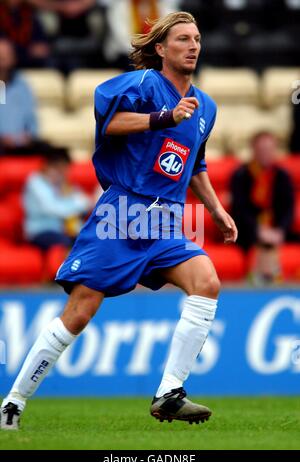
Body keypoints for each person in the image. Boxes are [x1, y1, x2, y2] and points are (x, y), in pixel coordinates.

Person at [0, 11, 237, 430]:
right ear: (161, 49)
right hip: (122, 215)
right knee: (80, 310)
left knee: (208, 283)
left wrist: (216, 209)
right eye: (182, 38)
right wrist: (164, 117)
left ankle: (169, 393)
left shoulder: (206, 107)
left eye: (197, 37)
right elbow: (110, 123)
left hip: (165, 223)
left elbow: (195, 163)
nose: (193, 45)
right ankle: (12, 403)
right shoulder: (144, 84)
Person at [231, 131, 294, 284]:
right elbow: (239, 209)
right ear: (254, 150)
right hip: (247, 232)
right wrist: (258, 230)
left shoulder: (282, 176)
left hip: (276, 230)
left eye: (269, 150)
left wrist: (280, 230)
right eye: (262, 150)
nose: (266, 154)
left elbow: (288, 208)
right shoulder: (241, 175)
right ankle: (256, 283)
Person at [23, 148, 91, 251]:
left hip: (64, 231)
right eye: (58, 169)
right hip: (41, 232)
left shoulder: (63, 184)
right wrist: (75, 204)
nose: (61, 173)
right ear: (46, 166)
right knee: (68, 243)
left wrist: (72, 197)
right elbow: (53, 209)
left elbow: (87, 203)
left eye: (64, 169)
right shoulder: (35, 182)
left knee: (90, 240)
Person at [0, 38, 51, 156]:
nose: (2, 60)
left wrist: (28, 137)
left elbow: (31, 119)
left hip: (21, 146)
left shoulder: (22, 85)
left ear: (13, 58)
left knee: (49, 150)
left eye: (5, 56)